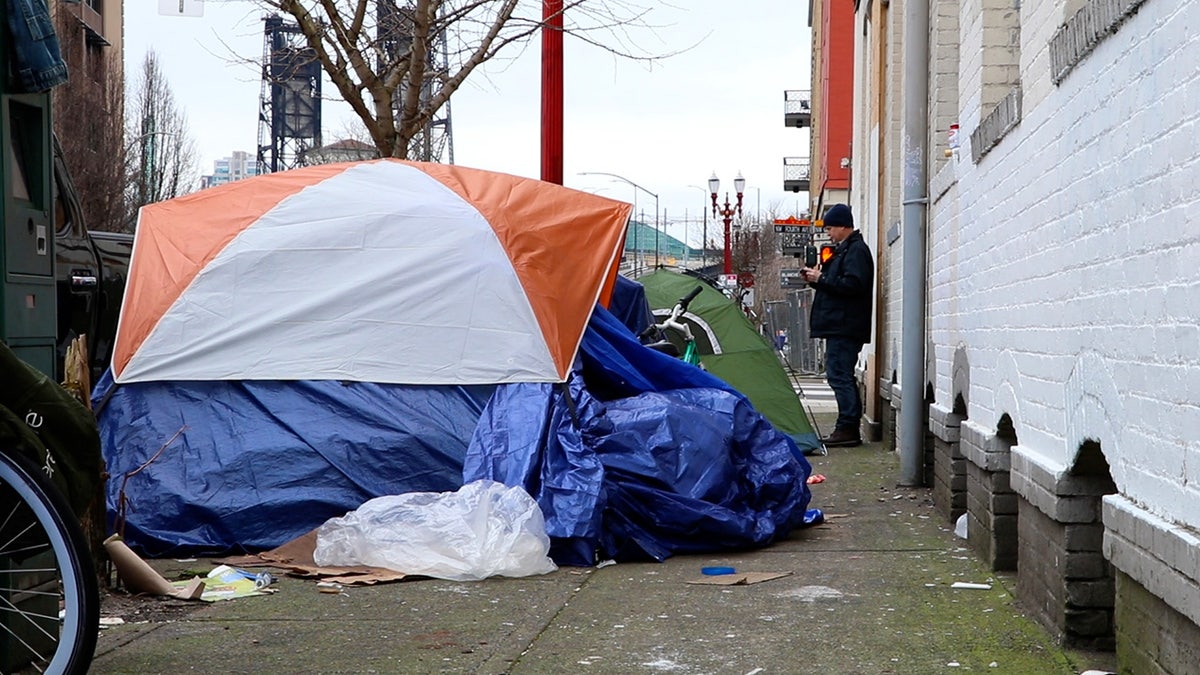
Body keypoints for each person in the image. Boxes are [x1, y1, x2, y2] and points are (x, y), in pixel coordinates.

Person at [800, 203, 874, 447]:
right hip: (843, 324)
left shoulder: (855, 251)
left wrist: (821, 278)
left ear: (844, 226)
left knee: (840, 375)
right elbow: (842, 284)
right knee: (839, 374)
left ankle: (847, 427)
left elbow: (852, 285)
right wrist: (817, 280)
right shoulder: (847, 251)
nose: (829, 233)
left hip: (845, 325)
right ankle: (846, 427)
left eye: (831, 228)